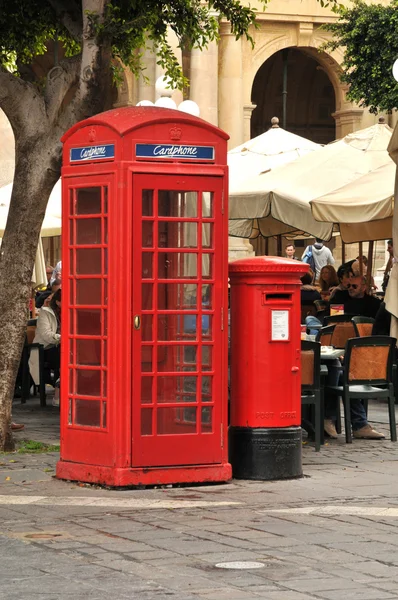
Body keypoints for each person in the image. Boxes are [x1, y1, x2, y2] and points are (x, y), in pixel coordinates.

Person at [29, 289, 61, 406]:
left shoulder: (71, 313)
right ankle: (59, 389)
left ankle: (60, 387)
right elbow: (46, 335)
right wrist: (63, 337)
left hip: (63, 347)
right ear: (58, 302)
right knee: (62, 355)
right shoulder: (45, 312)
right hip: (46, 348)